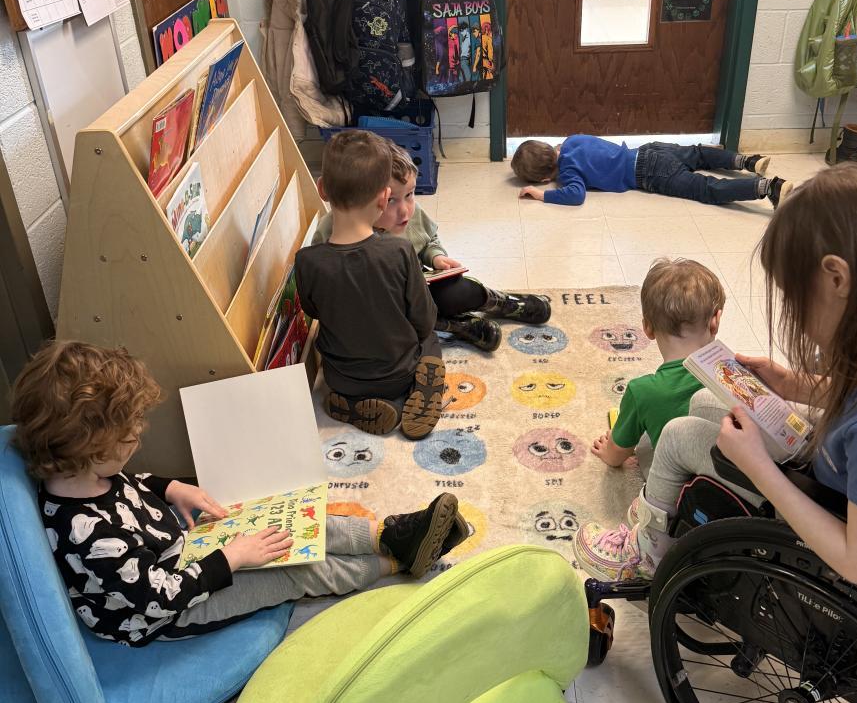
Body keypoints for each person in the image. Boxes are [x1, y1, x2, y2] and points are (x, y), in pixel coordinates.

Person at [583, 165, 857, 588]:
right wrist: (790, 383)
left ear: (837, 278)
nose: (794, 315)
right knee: (705, 400)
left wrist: (759, 468)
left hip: (824, 511)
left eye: (794, 298)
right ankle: (670, 499)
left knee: (675, 435)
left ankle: (647, 552)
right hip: (837, 472)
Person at [11, 341, 468, 647]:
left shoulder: (86, 474)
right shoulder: (91, 537)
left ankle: (390, 535)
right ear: (92, 447)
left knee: (289, 519)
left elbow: (131, 484)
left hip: (184, 552)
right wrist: (232, 558)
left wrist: (171, 487)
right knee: (291, 574)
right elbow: (158, 598)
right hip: (172, 612)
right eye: (129, 435)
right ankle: (395, 564)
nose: (139, 437)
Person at [313, 142, 551, 352]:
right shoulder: (332, 229)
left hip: (423, 289)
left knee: (459, 290)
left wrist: (436, 257)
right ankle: (459, 326)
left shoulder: (411, 215)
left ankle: (503, 303)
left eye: (410, 194)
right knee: (394, 324)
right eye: (391, 200)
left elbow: (429, 240)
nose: (405, 210)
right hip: (383, 311)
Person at [577, 259, 724, 580]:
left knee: (643, 445)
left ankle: (646, 548)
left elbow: (616, 456)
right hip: (727, 484)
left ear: (646, 328)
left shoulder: (643, 391)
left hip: (677, 495)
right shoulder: (735, 372)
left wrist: (609, 449)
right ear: (715, 321)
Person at [295, 130, 445, 438]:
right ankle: (420, 390)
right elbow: (424, 319)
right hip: (398, 374)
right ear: (383, 198)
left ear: (322, 189)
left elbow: (313, 311)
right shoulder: (400, 251)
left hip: (340, 378)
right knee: (430, 336)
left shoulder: (306, 260)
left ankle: (353, 405)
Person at [511, 135, 793, 209]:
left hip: (649, 174)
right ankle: (745, 161)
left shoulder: (568, 172)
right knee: (698, 153)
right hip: (648, 150)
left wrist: (542, 195)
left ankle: (768, 187)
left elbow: (576, 195)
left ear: (545, 177)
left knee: (705, 188)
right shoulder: (572, 140)